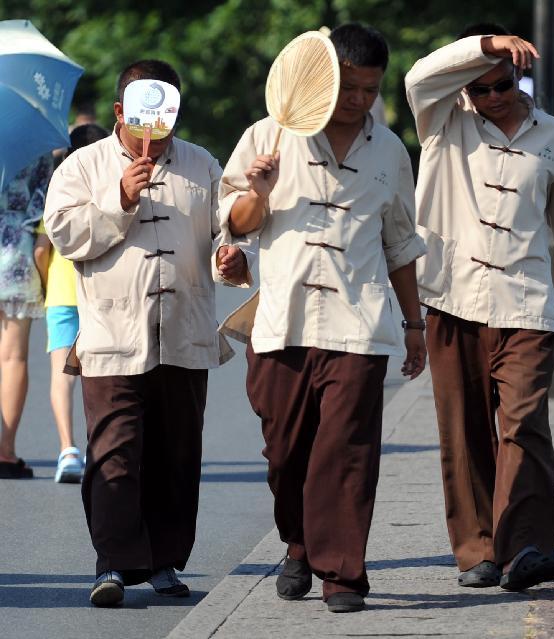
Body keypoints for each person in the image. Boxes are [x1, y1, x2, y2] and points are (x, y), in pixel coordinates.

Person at [219, 23, 426, 614]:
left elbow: (401, 246)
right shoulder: (269, 134)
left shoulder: (389, 151)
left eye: (369, 89)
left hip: (357, 323)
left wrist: (415, 326)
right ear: (325, 80)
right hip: (281, 320)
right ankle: (298, 544)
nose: (357, 101)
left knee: (348, 451)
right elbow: (232, 222)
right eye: (348, 88)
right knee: (285, 452)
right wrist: (259, 191)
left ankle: (343, 575)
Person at [44, 59, 249, 607]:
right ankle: (113, 563)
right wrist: (120, 198)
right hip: (113, 334)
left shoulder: (202, 164)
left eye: (167, 122)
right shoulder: (83, 167)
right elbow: (66, 236)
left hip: (184, 330)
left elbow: (227, 228)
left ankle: (164, 562)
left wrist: (232, 258)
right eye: (144, 122)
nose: (155, 135)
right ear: (120, 112)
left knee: (177, 452)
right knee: (113, 453)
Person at [405, 24, 554, 591]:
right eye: (480, 87)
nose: (493, 97)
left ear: (519, 79)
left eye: (502, 84)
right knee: (462, 431)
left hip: (528, 301)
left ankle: (528, 547)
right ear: (464, 86)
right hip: (451, 296)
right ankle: (478, 551)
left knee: (523, 423)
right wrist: (485, 45)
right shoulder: (442, 122)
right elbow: (419, 75)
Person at [35, 123, 109, 484]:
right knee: (103, 375)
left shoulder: (58, 189)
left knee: (61, 376)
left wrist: (47, 284)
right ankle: (105, 448)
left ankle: (68, 449)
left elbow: (41, 248)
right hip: (101, 293)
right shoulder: (111, 189)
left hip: (62, 295)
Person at [0, 154, 52, 480]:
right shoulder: (37, 143)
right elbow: (43, 205)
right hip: (16, 251)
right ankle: (5, 452)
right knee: (13, 358)